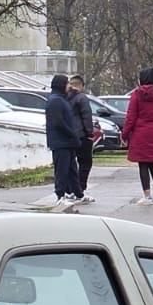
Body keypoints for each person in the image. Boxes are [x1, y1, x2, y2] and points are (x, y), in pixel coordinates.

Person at [122, 67, 153, 206]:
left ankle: (147, 196)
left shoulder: (137, 95)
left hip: (140, 133)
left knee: (143, 164)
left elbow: (131, 117)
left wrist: (125, 134)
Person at [43, 74, 84, 212]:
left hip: (67, 142)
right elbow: (59, 122)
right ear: (61, 85)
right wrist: (72, 135)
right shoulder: (55, 101)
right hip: (61, 141)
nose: (69, 87)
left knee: (72, 169)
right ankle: (60, 195)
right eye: (67, 84)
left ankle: (78, 194)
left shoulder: (61, 99)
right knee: (62, 170)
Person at [67, 74, 97, 203]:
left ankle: (70, 190)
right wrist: (90, 133)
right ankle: (80, 190)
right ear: (81, 85)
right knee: (85, 163)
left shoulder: (66, 97)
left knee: (72, 164)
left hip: (69, 135)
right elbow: (86, 116)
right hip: (82, 135)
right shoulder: (82, 98)